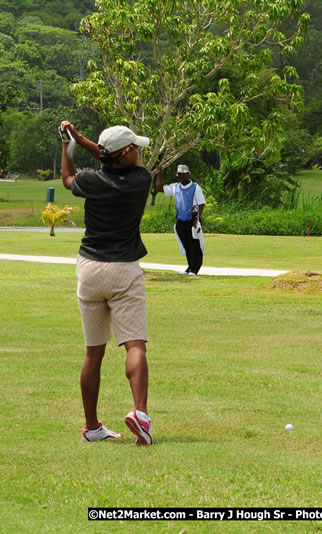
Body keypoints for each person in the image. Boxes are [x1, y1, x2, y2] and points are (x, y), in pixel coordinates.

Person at [60, 121, 154, 445]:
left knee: (93, 354)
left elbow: (67, 178)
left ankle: (92, 428)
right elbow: (106, 156)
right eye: (135, 149)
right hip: (123, 269)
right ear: (126, 153)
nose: (139, 154)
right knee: (135, 344)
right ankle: (140, 413)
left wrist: (69, 144)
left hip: (89, 268)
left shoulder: (92, 181)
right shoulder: (141, 181)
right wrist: (83, 140)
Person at [156, 164, 206, 275]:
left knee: (195, 245)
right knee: (186, 245)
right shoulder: (175, 187)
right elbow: (159, 188)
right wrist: (160, 173)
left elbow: (201, 204)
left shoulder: (195, 187)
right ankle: (189, 267)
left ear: (188, 174)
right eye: (180, 174)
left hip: (192, 219)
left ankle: (194, 269)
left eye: (184, 174)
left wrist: (197, 219)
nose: (182, 176)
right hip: (181, 220)